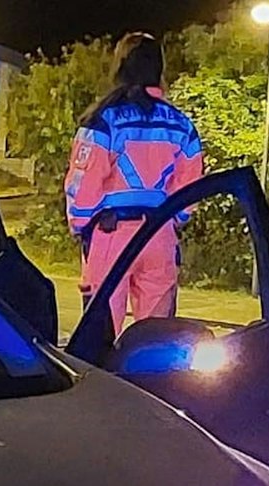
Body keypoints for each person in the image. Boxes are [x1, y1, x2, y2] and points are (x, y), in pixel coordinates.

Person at [64, 33, 206, 334]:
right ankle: (151, 382)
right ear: (159, 68)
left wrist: (81, 225)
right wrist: (175, 219)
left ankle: (106, 382)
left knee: (100, 334)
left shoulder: (104, 120)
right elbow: (190, 184)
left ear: (121, 66)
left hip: (111, 233)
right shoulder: (180, 123)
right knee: (156, 337)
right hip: (159, 234)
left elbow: (83, 182)